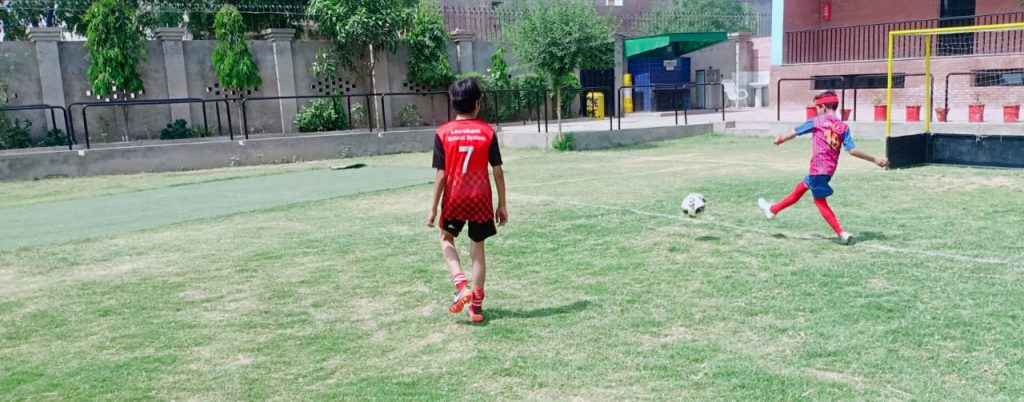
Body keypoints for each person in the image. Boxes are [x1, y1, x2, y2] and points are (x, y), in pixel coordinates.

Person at [757, 90, 889, 245]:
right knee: (800, 189)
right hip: (828, 171)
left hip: (818, 169)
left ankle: (841, 233)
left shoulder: (817, 121)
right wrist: (874, 158)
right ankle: (772, 210)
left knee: (820, 202)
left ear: (824, 107)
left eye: (817, 108)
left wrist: (780, 139)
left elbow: (795, 132)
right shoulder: (843, 127)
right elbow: (852, 150)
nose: (816, 111)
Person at [427, 78, 508, 323]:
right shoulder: (487, 132)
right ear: (477, 104)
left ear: (454, 105)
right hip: (480, 198)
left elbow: (441, 175)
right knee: (478, 248)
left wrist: (432, 209)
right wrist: (502, 204)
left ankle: (461, 284)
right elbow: (498, 170)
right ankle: (476, 307)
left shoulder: (443, 133)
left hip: (454, 198)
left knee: (446, 238)